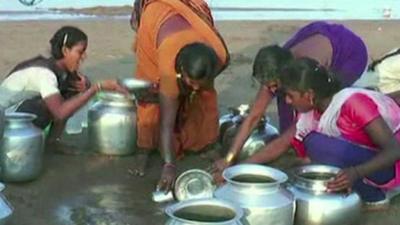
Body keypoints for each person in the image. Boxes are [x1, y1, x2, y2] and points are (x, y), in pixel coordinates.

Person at [212, 21, 368, 178]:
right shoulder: (275, 66)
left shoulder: (308, 76)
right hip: (315, 41)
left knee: (322, 110)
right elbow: (253, 116)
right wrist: (228, 159)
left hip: (350, 54)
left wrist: (241, 168)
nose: (271, 90)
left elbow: (287, 137)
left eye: (274, 85)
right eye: (268, 86)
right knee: (287, 107)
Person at [130, 0, 229, 191]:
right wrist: (169, 165)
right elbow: (166, 124)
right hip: (157, 21)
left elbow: (205, 79)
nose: (194, 88)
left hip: (188, 20)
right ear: (180, 70)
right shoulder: (168, 65)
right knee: (151, 91)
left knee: (205, 96)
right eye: (190, 82)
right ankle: (144, 148)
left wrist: (194, 88)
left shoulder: (217, 54)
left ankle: (203, 142)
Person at [278, 58, 400, 209]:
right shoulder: (311, 113)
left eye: (291, 95)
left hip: (391, 167)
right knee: (316, 148)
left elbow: (395, 150)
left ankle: (375, 196)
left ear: (309, 95)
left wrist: (355, 173)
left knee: (317, 144)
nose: (287, 101)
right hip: (366, 162)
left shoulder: (354, 104)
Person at [0, 26, 127, 144]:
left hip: (16, 114)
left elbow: (76, 88)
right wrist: (96, 88)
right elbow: (60, 112)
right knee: (56, 104)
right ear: (65, 50)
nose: (84, 57)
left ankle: (53, 143)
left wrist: (86, 85)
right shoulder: (45, 74)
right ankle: (21, 144)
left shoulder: (58, 69)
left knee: (70, 92)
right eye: (80, 52)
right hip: (6, 118)